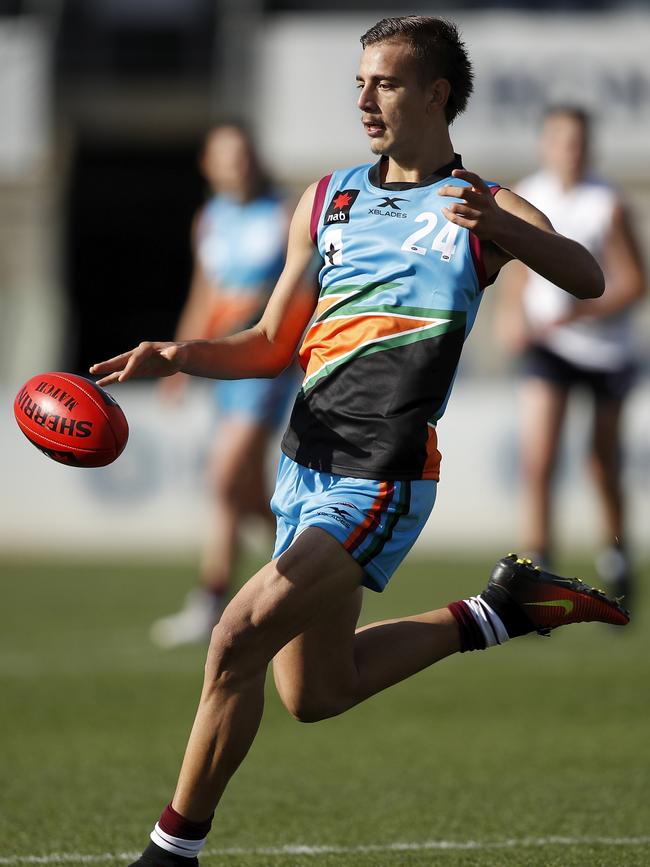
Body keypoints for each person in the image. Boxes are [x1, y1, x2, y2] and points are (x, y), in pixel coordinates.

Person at [90, 18, 629, 867]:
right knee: (315, 690)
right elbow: (272, 340)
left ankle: (168, 853)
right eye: (359, 82)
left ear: (435, 94)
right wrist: (179, 354)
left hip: (380, 476)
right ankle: (503, 609)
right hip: (302, 467)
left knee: (234, 638)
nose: (364, 98)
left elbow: (588, 275)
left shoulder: (479, 202)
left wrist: (505, 226)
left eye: (383, 82)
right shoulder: (327, 197)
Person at [152, 122, 296, 648]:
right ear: (208, 165)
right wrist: (179, 356)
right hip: (220, 364)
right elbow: (205, 292)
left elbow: (289, 288)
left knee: (224, 476)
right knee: (241, 489)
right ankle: (304, 551)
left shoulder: (283, 214)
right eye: (225, 155)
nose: (236, 163)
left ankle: (212, 598)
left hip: (262, 361)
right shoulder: (209, 219)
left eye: (244, 153)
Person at [497, 106, 646, 603]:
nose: (570, 150)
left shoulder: (608, 203)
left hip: (604, 351)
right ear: (546, 145)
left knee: (601, 465)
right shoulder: (530, 194)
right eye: (561, 140)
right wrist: (512, 317)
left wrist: (581, 314)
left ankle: (617, 555)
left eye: (578, 141)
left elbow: (634, 282)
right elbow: (517, 270)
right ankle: (537, 568)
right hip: (548, 347)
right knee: (538, 459)